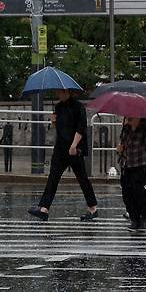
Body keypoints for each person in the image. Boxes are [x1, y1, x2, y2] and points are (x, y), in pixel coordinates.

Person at [28, 89, 98, 222]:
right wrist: (53, 121)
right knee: (53, 177)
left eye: (60, 92)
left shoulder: (78, 107)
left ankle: (93, 208)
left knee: (82, 178)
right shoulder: (58, 107)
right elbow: (59, 128)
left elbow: (81, 128)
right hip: (60, 148)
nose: (57, 94)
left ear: (67, 92)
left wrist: (74, 145)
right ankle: (44, 209)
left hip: (74, 149)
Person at [117, 117, 146, 232]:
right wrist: (120, 148)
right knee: (128, 195)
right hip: (127, 166)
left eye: (132, 115)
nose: (129, 117)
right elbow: (121, 147)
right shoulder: (125, 130)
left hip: (142, 167)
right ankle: (134, 219)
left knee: (145, 194)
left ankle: (145, 219)